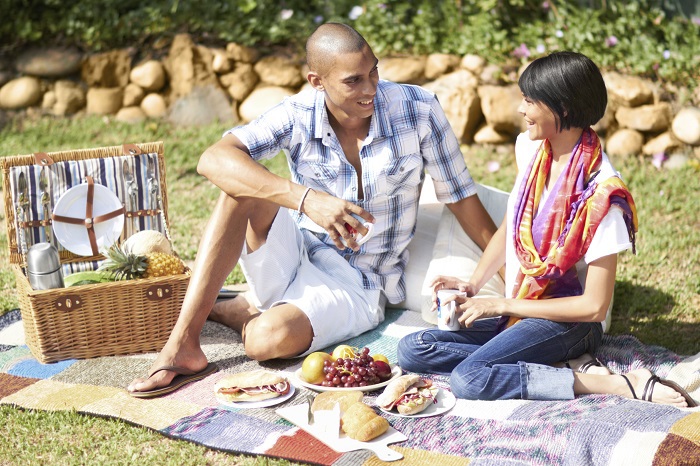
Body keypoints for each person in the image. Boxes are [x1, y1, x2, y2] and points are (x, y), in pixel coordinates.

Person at [127, 22, 497, 397]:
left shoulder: (418, 110)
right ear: (317, 81)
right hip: (295, 249)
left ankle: (236, 309)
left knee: (264, 341)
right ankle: (183, 345)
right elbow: (212, 159)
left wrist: (511, 275)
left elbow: (461, 197)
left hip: (358, 283)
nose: (371, 89)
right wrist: (307, 199)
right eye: (353, 81)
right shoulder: (297, 113)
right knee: (238, 188)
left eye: (374, 72)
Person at [397, 51, 697, 408]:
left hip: (570, 322)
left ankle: (614, 384)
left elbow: (594, 306)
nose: (520, 110)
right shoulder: (533, 149)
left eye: (529, 100)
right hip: (521, 311)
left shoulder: (602, 196)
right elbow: (514, 222)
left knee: (470, 377)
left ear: (563, 108)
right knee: (414, 348)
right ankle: (533, 363)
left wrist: (503, 303)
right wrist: (473, 285)